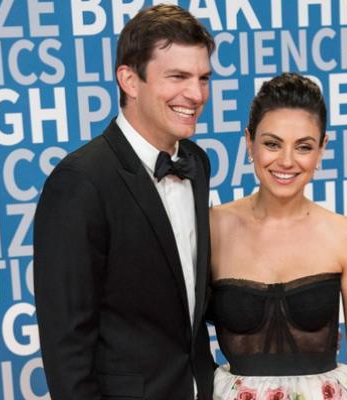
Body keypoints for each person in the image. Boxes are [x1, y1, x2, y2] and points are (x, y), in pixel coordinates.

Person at [33, 5, 216, 399]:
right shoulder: (81, 182)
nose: (196, 94)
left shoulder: (197, 162)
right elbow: (66, 348)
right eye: (178, 77)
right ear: (129, 80)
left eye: (203, 78)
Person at [208, 73, 347, 399]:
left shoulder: (343, 235)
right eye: (272, 144)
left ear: (322, 149)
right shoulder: (213, 226)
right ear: (249, 141)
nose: (286, 161)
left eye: (303, 147)